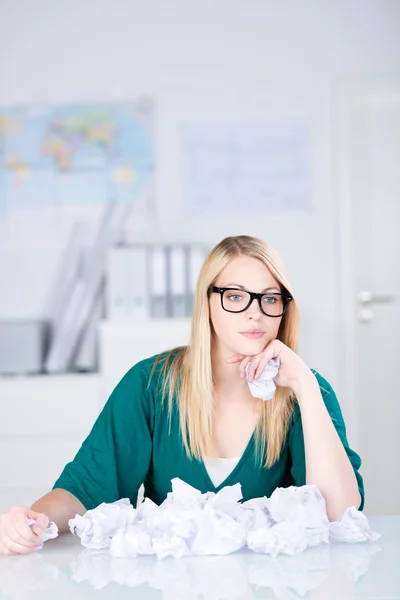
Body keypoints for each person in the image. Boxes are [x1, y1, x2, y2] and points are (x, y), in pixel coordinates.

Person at [0, 235, 364, 556]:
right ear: (207, 302)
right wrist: (33, 520)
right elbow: (86, 486)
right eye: (236, 296)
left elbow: (339, 515)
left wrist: (305, 387)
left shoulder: (306, 390)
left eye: (270, 298)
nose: (255, 313)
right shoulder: (149, 384)